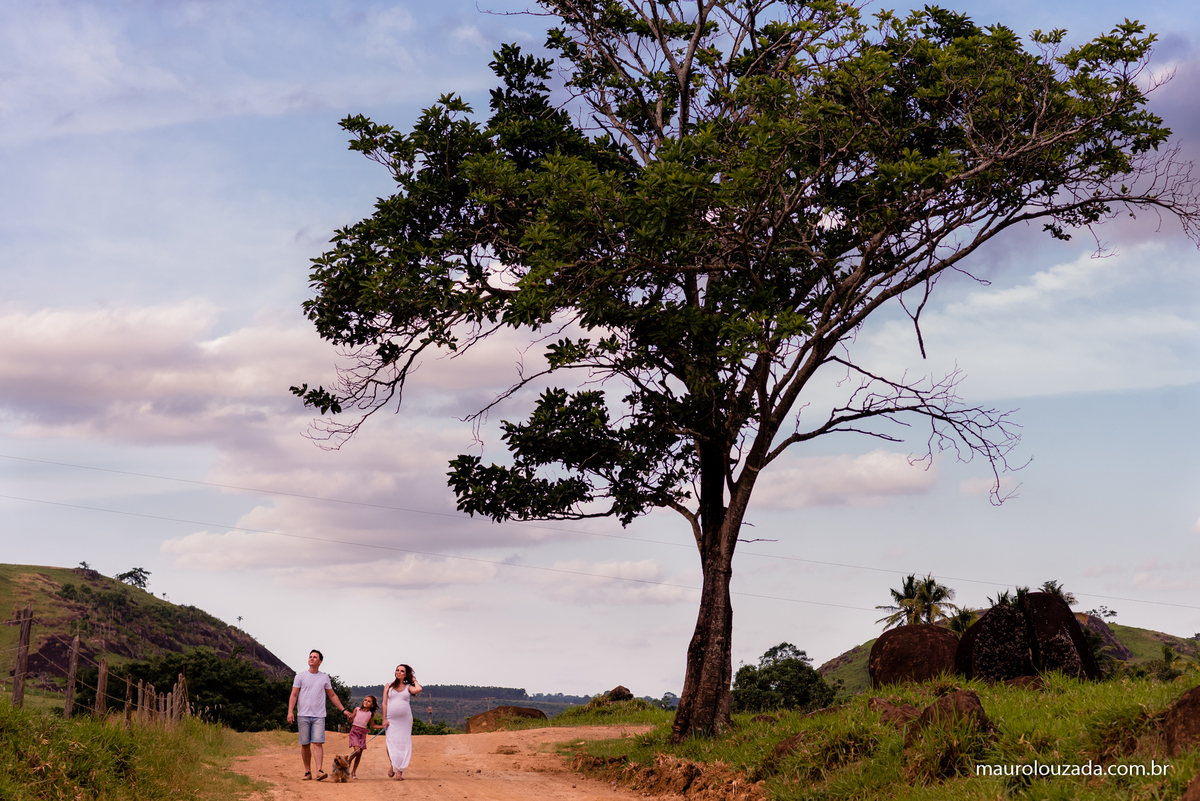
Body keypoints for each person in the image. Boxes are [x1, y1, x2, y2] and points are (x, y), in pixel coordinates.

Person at [286, 649, 350, 781]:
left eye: (315, 657)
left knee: (318, 743)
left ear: (320, 661)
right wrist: (290, 711)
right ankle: (307, 772)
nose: (311, 658)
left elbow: (332, 695)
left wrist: (343, 710)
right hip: (303, 714)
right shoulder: (300, 676)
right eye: (310, 656)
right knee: (305, 744)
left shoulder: (324, 677)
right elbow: (294, 694)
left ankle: (319, 771)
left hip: (319, 716)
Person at [381, 663, 423, 780]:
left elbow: (419, 689)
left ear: (405, 674)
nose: (398, 672)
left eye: (402, 671)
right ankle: (393, 764)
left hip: (405, 720)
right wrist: (384, 719)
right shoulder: (388, 685)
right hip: (391, 719)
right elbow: (384, 703)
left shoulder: (408, 686)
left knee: (403, 743)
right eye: (397, 670)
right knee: (390, 743)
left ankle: (399, 771)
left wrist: (414, 680)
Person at [344, 694, 380, 779]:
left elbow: (373, 725)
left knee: (359, 754)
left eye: (369, 701)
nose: (366, 702)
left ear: (372, 705)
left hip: (362, 734)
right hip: (354, 732)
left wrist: (383, 726)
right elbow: (351, 720)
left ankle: (353, 772)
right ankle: (348, 760)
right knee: (357, 750)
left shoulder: (370, 714)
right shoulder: (357, 709)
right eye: (365, 700)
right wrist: (349, 718)